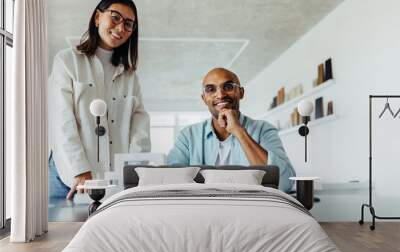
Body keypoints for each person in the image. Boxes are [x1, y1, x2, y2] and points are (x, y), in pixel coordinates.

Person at [48, 0, 150, 200]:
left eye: (128, 24)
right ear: (97, 17)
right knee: (62, 228)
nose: (121, 27)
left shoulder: (130, 76)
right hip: (67, 175)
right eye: (115, 17)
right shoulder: (67, 61)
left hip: (111, 178)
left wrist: (135, 174)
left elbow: (140, 128)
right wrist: (80, 170)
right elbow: (62, 121)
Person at [167, 67, 295, 192]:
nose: (220, 95)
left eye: (228, 87)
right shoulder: (188, 136)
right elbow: (171, 182)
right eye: (211, 89)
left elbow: (284, 183)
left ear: (241, 92)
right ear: (204, 99)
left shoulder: (264, 130)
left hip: (250, 207)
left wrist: (239, 131)